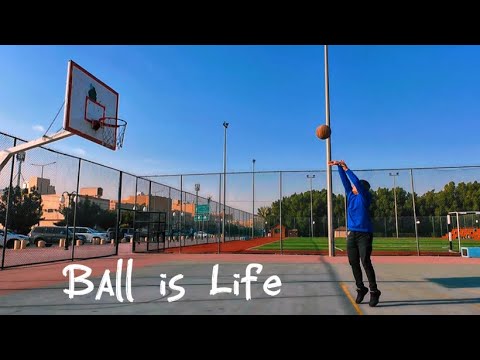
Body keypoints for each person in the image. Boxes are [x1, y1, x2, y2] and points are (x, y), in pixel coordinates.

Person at [328, 160, 381, 307]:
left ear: (362, 189)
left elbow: (356, 182)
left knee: (365, 261)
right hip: (352, 234)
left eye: (355, 186)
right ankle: (361, 288)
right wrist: (339, 168)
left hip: (365, 234)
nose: (352, 186)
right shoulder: (350, 195)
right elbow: (346, 182)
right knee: (353, 262)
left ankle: (374, 291)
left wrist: (347, 169)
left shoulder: (364, 197)